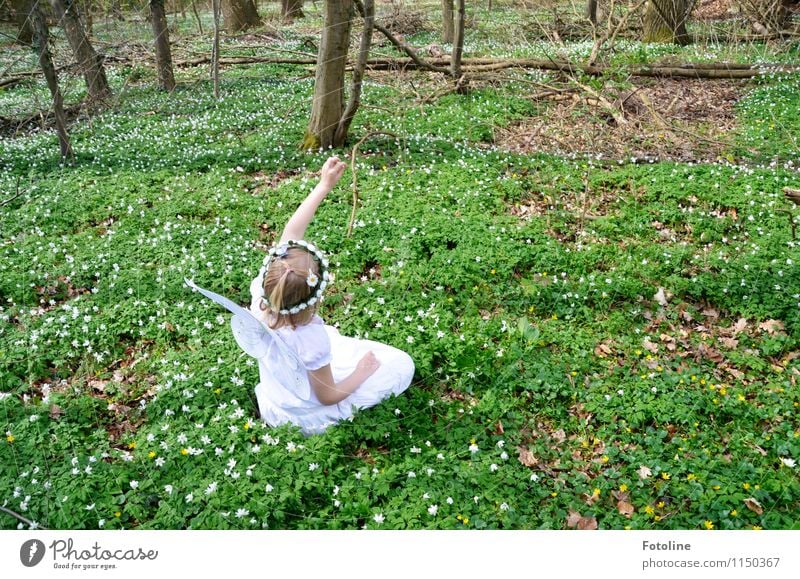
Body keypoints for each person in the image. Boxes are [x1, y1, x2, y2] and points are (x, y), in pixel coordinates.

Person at [247, 156, 414, 435]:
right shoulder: (310, 338)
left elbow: (290, 233)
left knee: (341, 349)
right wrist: (362, 371)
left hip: (275, 402)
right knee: (400, 364)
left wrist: (324, 185)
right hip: (304, 416)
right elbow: (327, 395)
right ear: (316, 296)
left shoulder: (262, 299)